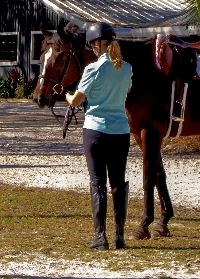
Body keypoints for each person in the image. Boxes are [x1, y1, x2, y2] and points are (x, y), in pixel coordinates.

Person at [65, 21, 132, 250]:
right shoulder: (126, 68)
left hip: (95, 130)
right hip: (120, 131)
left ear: (95, 45)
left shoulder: (92, 69)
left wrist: (67, 96)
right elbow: (127, 90)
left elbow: (77, 101)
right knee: (118, 182)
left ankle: (100, 237)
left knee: (98, 183)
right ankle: (120, 236)